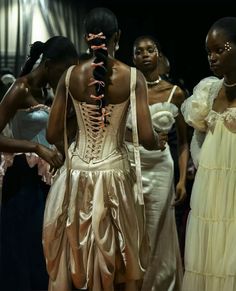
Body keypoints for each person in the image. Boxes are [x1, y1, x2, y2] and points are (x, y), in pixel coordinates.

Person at [42, 7, 165, 291]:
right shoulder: (133, 77)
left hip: (76, 175)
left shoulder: (70, 75)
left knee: (76, 256)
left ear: (86, 38)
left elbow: (51, 133)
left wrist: (73, 143)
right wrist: (158, 140)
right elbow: (146, 138)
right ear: (117, 36)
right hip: (114, 176)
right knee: (118, 262)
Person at [0, 36, 78, 291]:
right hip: (23, 179)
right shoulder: (20, 88)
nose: (67, 76)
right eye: (64, 70)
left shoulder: (49, 91)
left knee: (43, 247)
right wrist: (37, 148)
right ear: (50, 64)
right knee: (24, 247)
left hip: (44, 179)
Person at [129, 35, 189, 291]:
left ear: (158, 55)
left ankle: (158, 283)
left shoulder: (175, 93)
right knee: (135, 228)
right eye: (139, 51)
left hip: (162, 168)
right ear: (133, 58)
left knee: (158, 226)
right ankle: (136, 281)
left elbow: (184, 142)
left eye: (149, 50)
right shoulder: (126, 89)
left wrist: (183, 179)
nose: (144, 54)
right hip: (133, 165)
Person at [181, 17, 236, 291]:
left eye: (220, 49)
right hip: (211, 190)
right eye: (208, 52)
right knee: (210, 253)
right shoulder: (209, 91)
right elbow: (197, 139)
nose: (212, 58)